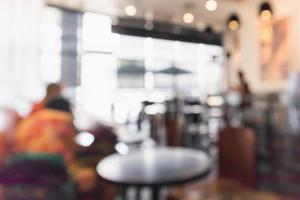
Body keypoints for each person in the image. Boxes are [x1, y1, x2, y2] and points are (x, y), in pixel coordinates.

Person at [16, 97, 76, 164]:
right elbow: (71, 144)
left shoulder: (30, 119)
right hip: (52, 162)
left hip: (24, 161)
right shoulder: (64, 118)